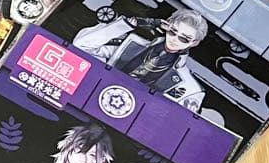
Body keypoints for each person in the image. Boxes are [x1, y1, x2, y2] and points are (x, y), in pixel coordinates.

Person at [73, 9, 208, 112]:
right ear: (167, 26)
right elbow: (81, 45)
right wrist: (132, 23)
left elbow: (175, 120)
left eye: (184, 38)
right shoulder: (129, 43)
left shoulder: (191, 88)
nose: (175, 39)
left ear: (194, 43)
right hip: (91, 96)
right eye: (172, 31)